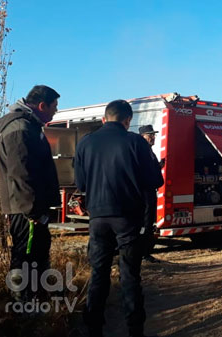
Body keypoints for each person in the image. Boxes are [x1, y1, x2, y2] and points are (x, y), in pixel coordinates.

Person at [75, 100, 164, 337]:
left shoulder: (85, 143)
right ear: (127, 121)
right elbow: (156, 181)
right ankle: (135, 329)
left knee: (98, 273)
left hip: (98, 218)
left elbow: (81, 184)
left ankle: (93, 327)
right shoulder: (135, 142)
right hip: (127, 218)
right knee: (129, 274)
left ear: (104, 119)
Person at [0, 85, 61, 301]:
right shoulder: (20, 128)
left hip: (31, 207)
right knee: (25, 255)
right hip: (26, 210)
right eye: (54, 107)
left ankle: (37, 299)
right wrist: (32, 211)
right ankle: (23, 305)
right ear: (42, 105)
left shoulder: (30, 126)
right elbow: (20, 173)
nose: (55, 112)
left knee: (37, 254)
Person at [138, 125, 165, 263]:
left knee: (148, 224)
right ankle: (143, 253)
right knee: (144, 224)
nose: (153, 137)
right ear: (142, 136)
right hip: (144, 194)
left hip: (149, 192)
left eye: (153, 134)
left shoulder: (149, 152)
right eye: (150, 135)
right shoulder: (141, 152)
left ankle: (145, 252)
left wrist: (159, 166)